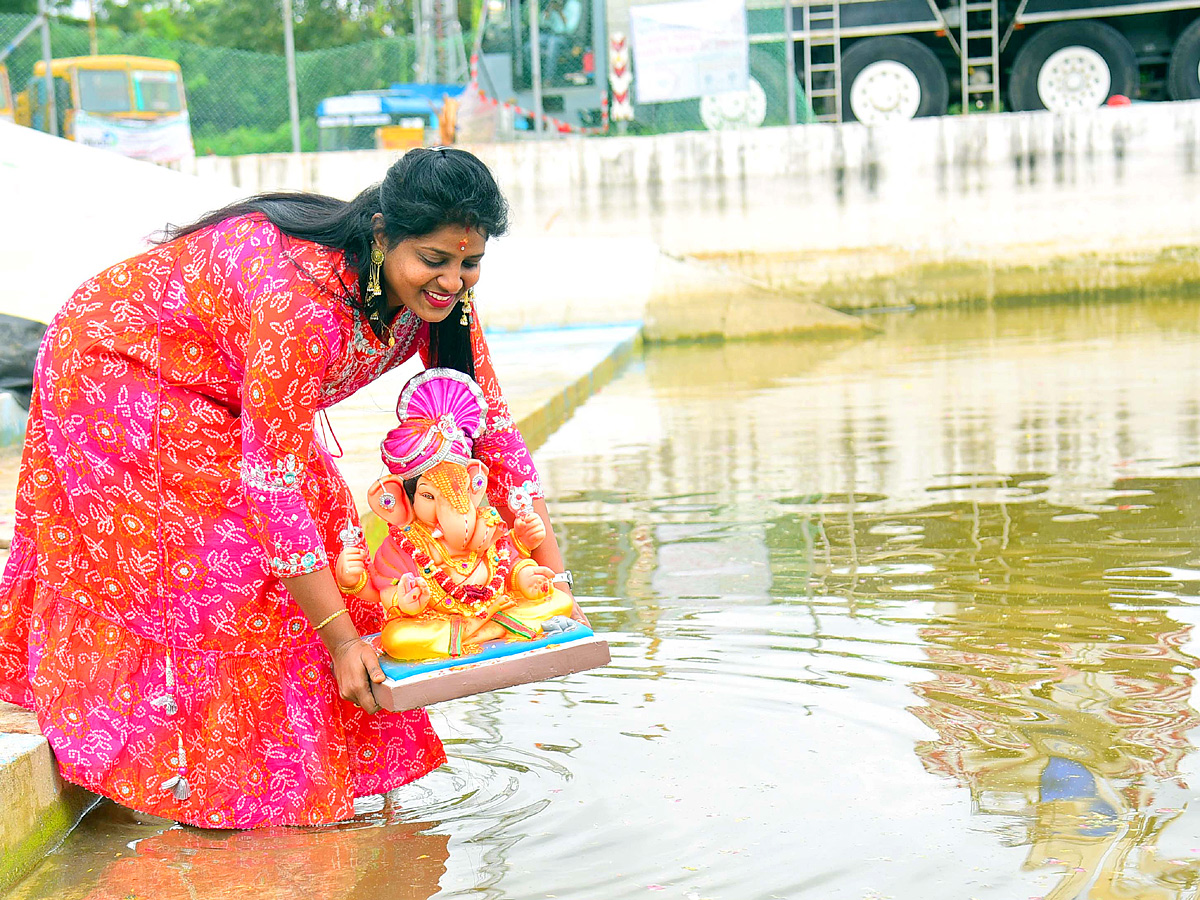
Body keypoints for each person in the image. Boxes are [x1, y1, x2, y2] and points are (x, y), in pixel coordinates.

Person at [0, 147, 574, 829]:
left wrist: (553, 580)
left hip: (219, 382)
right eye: (435, 260)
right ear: (385, 234)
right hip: (117, 366)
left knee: (332, 541)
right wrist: (339, 641)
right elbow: (269, 484)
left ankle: (303, 779)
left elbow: (496, 431)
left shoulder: (442, 301)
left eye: (468, 261)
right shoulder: (305, 298)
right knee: (231, 564)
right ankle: (219, 789)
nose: (451, 281)